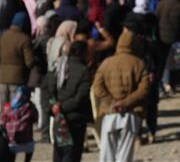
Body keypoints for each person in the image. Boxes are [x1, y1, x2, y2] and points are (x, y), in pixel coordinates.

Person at [92, 28, 150, 162]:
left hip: (109, 113)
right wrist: (125, 103)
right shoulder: (139, 64)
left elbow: (97, 87)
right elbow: (144, 89)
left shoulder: (107, 63)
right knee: (124, 153)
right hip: (130, 114)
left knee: (107, 153)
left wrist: (112, 102)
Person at [44, 40, 92, 162]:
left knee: (59, 153)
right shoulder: (83, 71)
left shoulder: (56, 67)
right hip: (75, 120)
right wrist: (61, 107)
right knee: (72, 154)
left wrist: (53, 107)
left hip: (58, 118)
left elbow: (46, 89)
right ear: (83, 53)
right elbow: (80, 98)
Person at [0, 13, 34, 107]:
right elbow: (29, 62)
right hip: (17, 79)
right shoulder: (24, 39)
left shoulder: (3, 36)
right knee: (15, 108)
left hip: (2, 77)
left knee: (2, 108)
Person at [0, 85, 38, 162]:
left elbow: (2, 121)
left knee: (10, 153)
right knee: (30, 146)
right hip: (27, 141)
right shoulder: (30, 107)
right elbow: (35, 119)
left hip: (11, 141)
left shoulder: (8, 107)